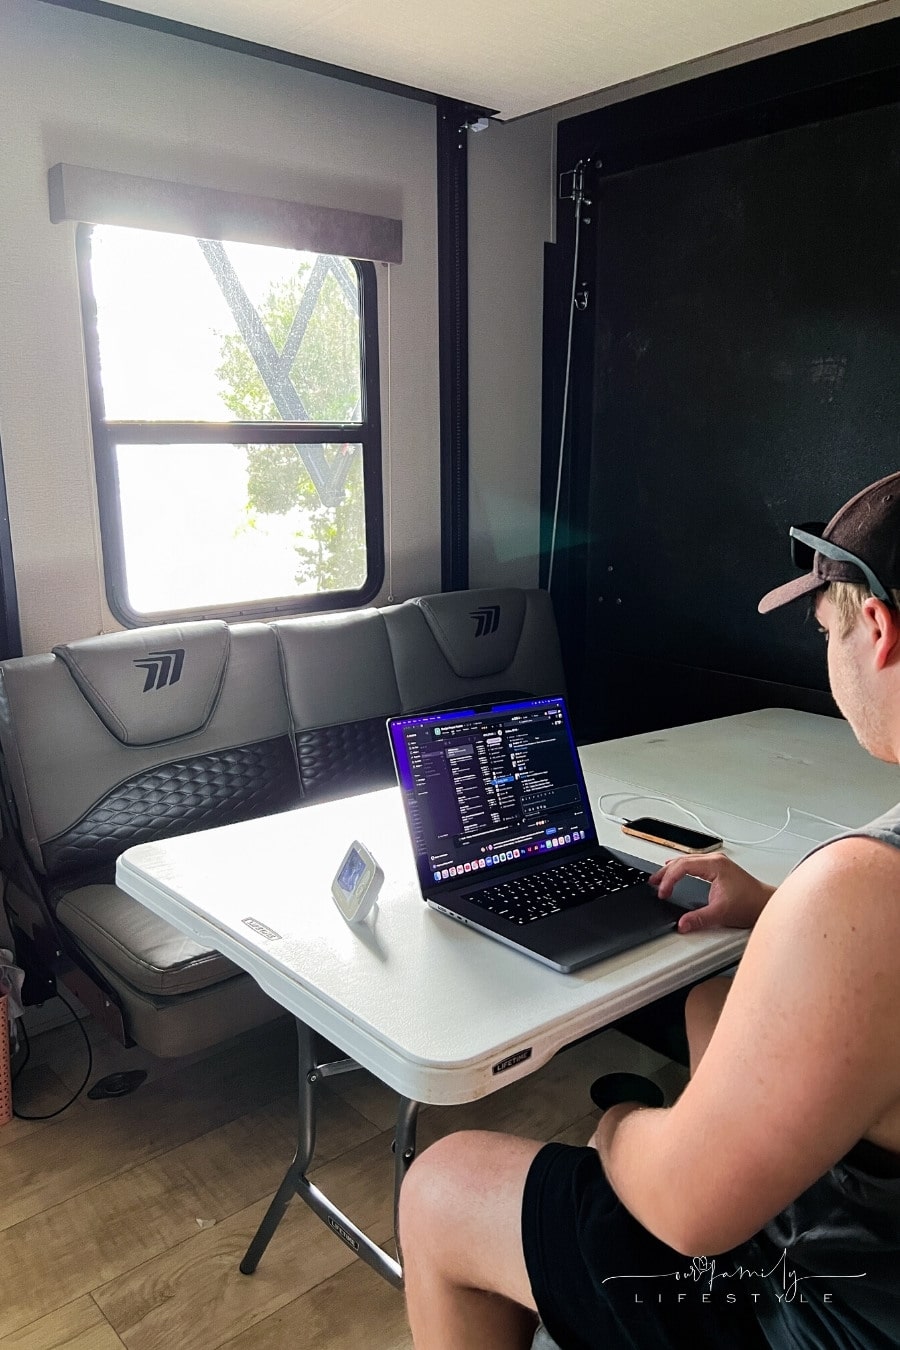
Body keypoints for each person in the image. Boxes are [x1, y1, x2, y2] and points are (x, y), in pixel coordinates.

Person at [399, 471, 900, 1350]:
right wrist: (778, 910)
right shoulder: (856, 901)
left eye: (825, 629)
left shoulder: (863, 891)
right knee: (711, 1002)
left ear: (877, 629)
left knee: (441, 1185)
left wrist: (621, 1131)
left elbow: (685, 1214)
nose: (829, 652)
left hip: (831, 1316)